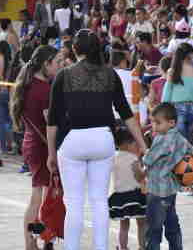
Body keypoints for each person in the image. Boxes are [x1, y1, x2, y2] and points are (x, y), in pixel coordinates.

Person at [46, 30, 147, 250]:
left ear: (75, 49)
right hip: (103, 139)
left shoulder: (64, 75)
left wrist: (51, 154)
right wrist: (142, 144)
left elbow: (52, 120)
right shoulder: (110, 75)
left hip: (72, 141)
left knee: (73, 204)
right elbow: (126, 113)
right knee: (99, 201)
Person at [10, 45, 62, 250]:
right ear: (45, 64)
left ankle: (34, 242)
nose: (61, 65)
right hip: (43, 147)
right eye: (57, 62)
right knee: (40, 200)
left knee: (39, 198)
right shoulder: (45, 90)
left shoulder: (27, 85)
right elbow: (51, 124)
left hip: (31, 143)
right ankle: (32, 243)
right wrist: (53, 152)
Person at [138, 103, 191, 250]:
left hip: (157, 191)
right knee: (172, 225)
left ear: (171, 123)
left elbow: (149, 159)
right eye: (153, 122)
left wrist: (145, 154)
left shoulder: (162, 139)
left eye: (158, 123)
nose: (154, 126)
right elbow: (192, 153)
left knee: (154, 229)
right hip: (170, 190)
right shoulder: (180, 138)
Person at [109, 127, 147, 250]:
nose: (135, 145)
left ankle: (123, 247)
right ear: (127, 144)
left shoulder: (113, 157)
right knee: (141, 223)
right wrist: (147, 169)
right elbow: (139, 176)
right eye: (133, 142)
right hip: (134, 195)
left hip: (119, 196)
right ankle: (142, 246)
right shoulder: (132, 158)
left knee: (124, 225)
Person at [161, 43, 193, 144]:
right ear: (191, 55)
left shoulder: (172, 71)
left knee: (179, 142)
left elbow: (167, 92)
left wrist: (164, 109)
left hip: (177, 108)